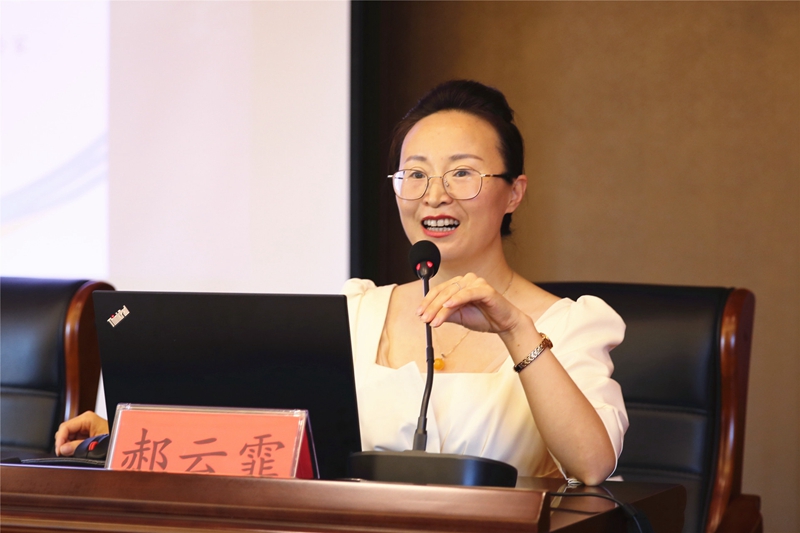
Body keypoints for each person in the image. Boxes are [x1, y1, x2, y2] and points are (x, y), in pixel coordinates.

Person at [55, 80, 627, 485]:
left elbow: (592, 467)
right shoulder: (355, 312)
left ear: (514, 192)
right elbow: (264, 437)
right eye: (415, 174)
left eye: (462, 173)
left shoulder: (568, 324)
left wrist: (514, 329)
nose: (434, 195)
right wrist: (127, 432)